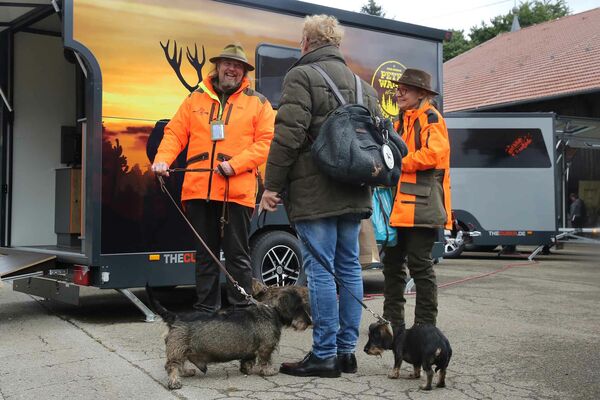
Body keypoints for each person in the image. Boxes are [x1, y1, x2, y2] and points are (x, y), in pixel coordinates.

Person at [259, 15, 381, 378]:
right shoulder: (364, 87)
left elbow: (288, 136)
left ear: (308, 42)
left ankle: (324, 354)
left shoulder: (301, 76)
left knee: (322, 271)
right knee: (349, 268)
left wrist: (271, 185)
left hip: (315, 192)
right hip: (355, 189)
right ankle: (346, 353)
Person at [152, 44, 275, 312]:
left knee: (237, 257)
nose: (232, 69)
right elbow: (174, 133)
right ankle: (206, 314)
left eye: (238, 66)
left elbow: (266, 143)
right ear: (217, 66)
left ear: (244, 72)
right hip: (198, 191)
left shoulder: (259, 103)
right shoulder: (195, 98)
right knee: (205, 257)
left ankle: (241, 314)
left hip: (237, 193)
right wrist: (163, 159)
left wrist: (235, 165)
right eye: (227, 63)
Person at [383, 68, 452, 334]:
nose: (398, 93)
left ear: (421, 93)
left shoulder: (431, 118)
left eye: (405, 89)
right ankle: (392, 326)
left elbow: (434, 154)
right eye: (398, 89)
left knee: (420, 268)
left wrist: (398, 162)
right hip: (399, 207)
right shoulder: (400, 121)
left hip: (422, 207)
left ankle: (425, 328)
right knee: (392, 267)